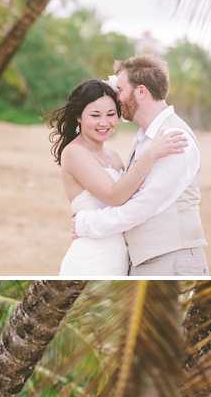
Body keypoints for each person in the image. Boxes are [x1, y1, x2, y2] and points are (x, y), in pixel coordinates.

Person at [71, 54, 208, 276]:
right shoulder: (146, 137)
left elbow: (142, 206)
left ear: (141, 92)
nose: (117, 97)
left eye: (121, 89)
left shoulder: (173, 137)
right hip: (146, 261)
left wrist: (87, 223)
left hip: (171, 260)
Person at [50, 79, 188, 276]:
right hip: (91, 258)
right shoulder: (74, 153)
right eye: (95, 115)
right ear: (79, 116)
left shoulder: (113, 156)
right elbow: (115, 196)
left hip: (120, 258)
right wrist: (150, 154)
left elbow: (132, 198)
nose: (104, 123)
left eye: (111, 114)